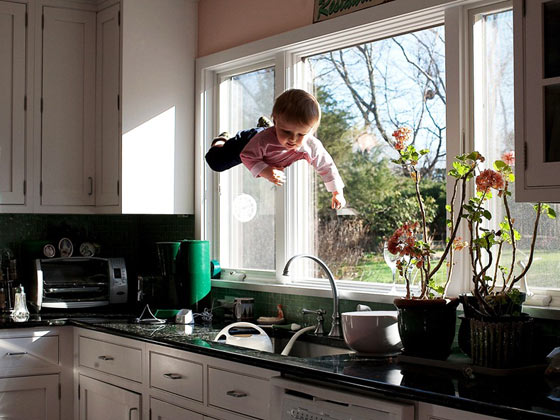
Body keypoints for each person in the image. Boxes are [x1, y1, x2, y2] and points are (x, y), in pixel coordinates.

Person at [205, 89, 346, 210]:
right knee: (216, 163)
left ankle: (268, 126)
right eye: (286, 132)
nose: (293, 139)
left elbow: (326, 166)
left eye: (301, 134)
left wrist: (337, 191)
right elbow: (247, 156)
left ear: (310, 131)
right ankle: (222, 140)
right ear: (277, 121)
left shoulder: (311, 145)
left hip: (269, 145)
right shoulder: (263, 140)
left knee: (281, 138)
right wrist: (266, 171)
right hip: (248, 142)